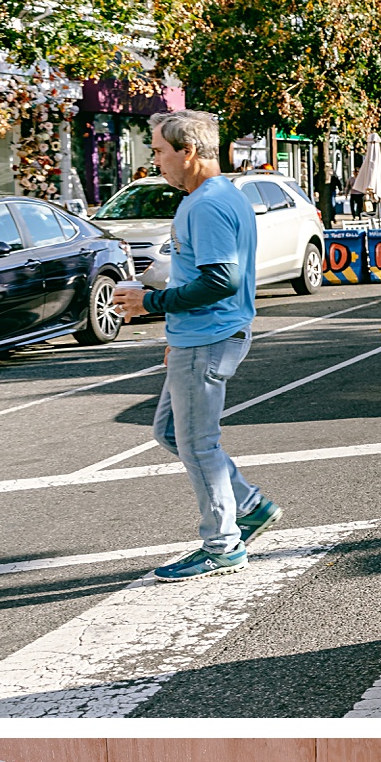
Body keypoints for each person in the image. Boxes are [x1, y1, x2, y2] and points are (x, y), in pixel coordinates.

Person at [111, 113, 281, 581]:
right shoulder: (223, 195)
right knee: (171, 432)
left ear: (187, 151)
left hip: (207, 337)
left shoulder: (204, 205)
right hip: (199, 337)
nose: (157, 161)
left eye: (161, 151)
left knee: (197, 444)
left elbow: (220, 280)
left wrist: (152, 302)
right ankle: (249, 505)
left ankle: (222, 545)